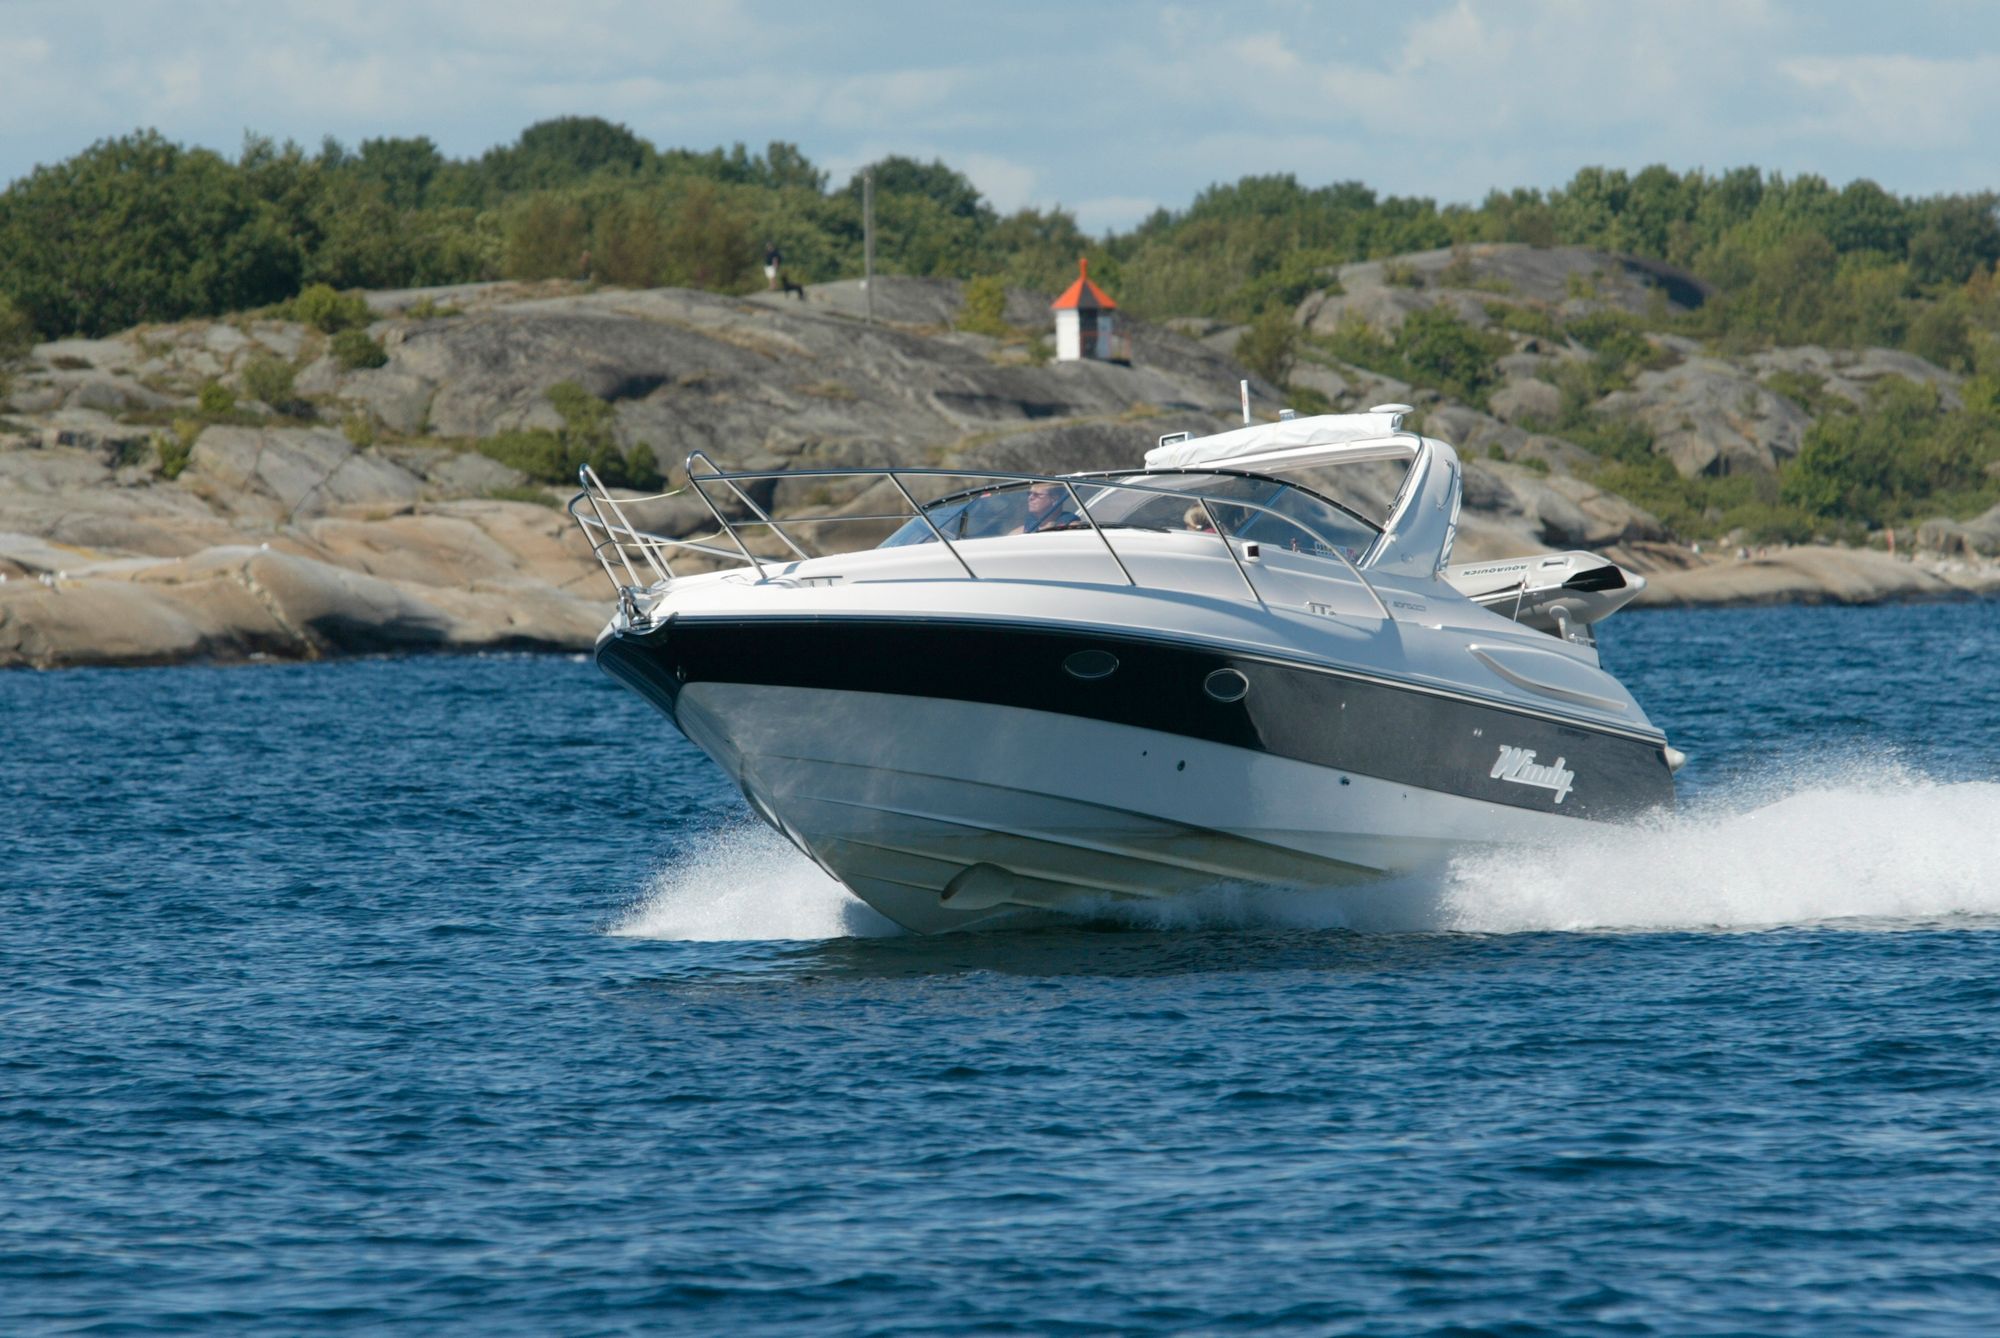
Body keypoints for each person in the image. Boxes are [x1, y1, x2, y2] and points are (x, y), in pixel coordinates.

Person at [1014, 482, 1080, 533]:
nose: (1030, 498)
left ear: (1055, 499)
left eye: (1037, 495)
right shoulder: (1022, 531)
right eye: (1029, 493)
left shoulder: (1072, 528)